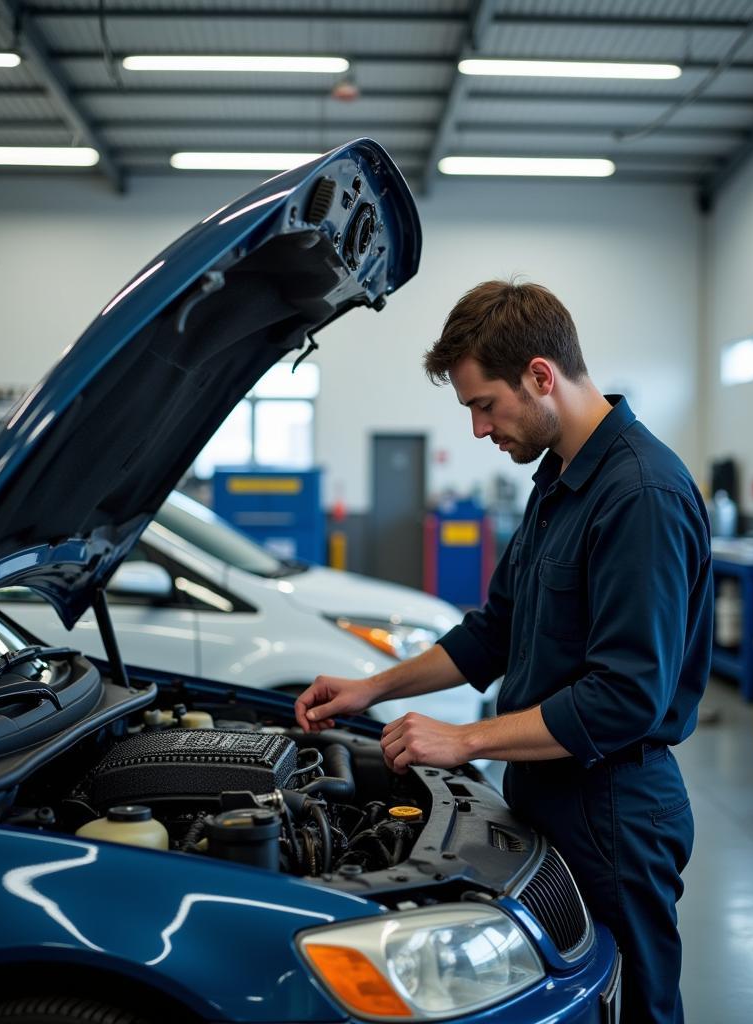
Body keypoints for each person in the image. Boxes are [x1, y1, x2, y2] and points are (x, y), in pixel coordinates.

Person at [294, 280, 712, 1024]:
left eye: (485, 405)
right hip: (550, 791)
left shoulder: (640, 494)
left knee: (639, 1008)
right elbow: (495, 630)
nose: (482, 430)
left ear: (541, 376)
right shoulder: (557, 481)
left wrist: (466, 739)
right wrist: (372, 688)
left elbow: (624, 697)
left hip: (614, 807)